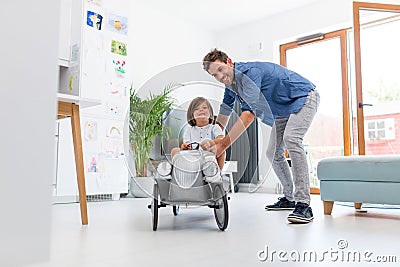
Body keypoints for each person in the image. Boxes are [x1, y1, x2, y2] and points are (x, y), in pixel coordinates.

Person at [201, 48, 320, 224]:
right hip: (283, 110)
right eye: (214, 75)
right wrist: (214, 137)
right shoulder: (230, 86)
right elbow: (225, 111)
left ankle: (304, 205)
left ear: (229, 62)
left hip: (303, 97)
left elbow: (249, 114)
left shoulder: (250, 74)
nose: (219, 77)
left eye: (220, 70)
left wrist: (223, 145)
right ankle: (290, 198)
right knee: (272, 152)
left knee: (292, 139)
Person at [171, 96, 226, 170]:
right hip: (193, 155)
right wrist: (185, 146)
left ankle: (217, 174)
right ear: (192, 114)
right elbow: (186, 142)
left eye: (204, 108)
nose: (201, 110)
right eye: (196, 109)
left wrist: (211, 142)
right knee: (175, 150)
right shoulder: (189, 129)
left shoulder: (214, 127)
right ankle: (179, 172)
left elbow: (221, 139)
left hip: (210, 154)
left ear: (210, 112)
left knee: (222, 151)